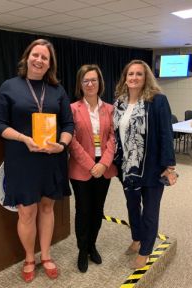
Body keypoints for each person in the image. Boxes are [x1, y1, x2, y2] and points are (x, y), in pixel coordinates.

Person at [0, 39, 74, 283]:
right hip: (22, 158)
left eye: (45, 58)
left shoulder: (58, 90)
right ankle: (30, 257)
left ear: (50, 64)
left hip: (51, 158)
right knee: (26, 212)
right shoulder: (9, 86)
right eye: (35, 55)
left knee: (47, 207)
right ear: (27, 58)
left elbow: (68, 124)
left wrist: (62, 144)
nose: (39, 60)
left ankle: (46, 255)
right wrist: (23, 138)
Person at [113, 59, 177, 269]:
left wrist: (169, 167)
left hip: (151, 167)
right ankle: (137, 237)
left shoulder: (157, 100)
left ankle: (146, 250)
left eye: (139, 74)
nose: (134, 78)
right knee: (132, 206)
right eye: (130, 74)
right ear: (125, 78)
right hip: (127, 168)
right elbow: (115, 135)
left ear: (146, 77)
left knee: (150, 210)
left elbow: (167, 134)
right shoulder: (119, 102)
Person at [68, 64, 117, 272]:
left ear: (99, 83)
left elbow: (113, 138)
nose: (90, 84)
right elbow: (71, 140)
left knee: (97, 210)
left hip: (104, 167)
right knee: (83, 210)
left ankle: (92, 246)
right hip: (81, 168)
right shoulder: (72, 109)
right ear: (80, 84)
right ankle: (82, 249)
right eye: (86, 80)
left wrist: (104, 163)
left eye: (93, 80)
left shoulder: (110, 109)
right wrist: (91, 165)